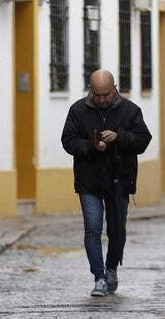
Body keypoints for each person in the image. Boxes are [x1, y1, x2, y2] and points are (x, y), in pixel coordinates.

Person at [61, 69, 152, 297]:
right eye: (97, 95)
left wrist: (119, 137)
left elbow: (143, 140)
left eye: (106, 95)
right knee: (92, 229)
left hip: (119, 180)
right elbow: (68, 141)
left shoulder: (130, 111)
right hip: (88, 181)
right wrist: (92, 146)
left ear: (115, 89)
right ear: (90, 90)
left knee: (117, 231)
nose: (101, 99)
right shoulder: (78, 110)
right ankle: (99, 277)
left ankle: (111, 268)